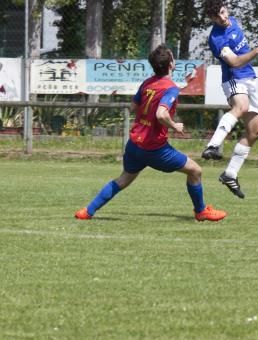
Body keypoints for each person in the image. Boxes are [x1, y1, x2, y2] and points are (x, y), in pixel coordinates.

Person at [75, 45, 226, 222]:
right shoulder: (170, 88)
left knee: (123, 180)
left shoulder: (147, 83)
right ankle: (201, 211)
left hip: (135, 144)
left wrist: (183, 84)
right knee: (195, 171)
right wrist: (175, 125)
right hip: (155, 149)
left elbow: (134, 107)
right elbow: (161, 114)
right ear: (171, 64)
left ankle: (87, 211)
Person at [202, 0, 258, 199]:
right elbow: (234, 62)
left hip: (249, 78)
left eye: (224, 12)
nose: (223, 18)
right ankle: (213, 145)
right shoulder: (216, 39)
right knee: (240, 106)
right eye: (218, 16)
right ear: (211, 18)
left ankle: (230, 174)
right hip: (234, 79)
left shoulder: (233, 20)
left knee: (255, 132)